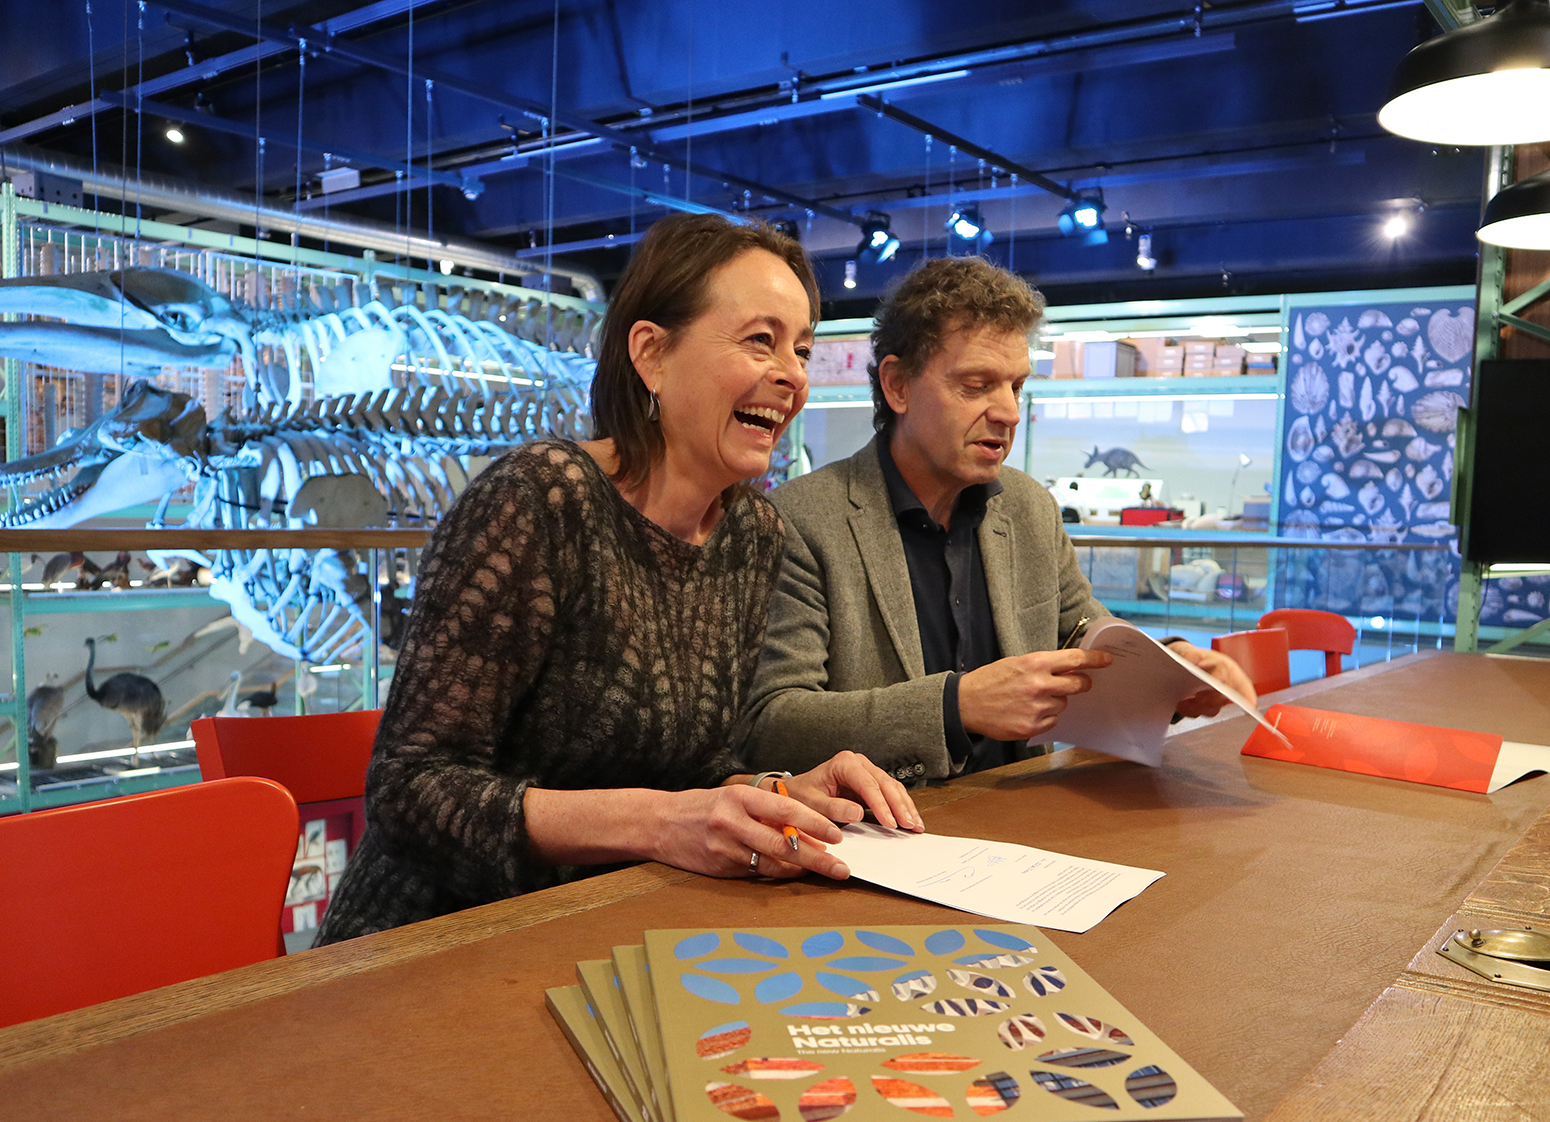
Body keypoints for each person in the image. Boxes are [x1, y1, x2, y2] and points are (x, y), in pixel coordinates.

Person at [317, 215, 920, 944]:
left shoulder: (753, 535)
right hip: (438, 940)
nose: (792, 374)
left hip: (613, 924)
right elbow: (409, 790)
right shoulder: (541, 498)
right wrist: (665, 822)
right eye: (761, 340)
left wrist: (774, 792)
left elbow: (692, 770)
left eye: (801, 349)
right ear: (652, 354)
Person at [737, 257, 1256, 784]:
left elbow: (1087, 640)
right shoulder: (801, 521)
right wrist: (955, 706)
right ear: (897, 386)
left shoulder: (1029, 509)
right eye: (976, 385)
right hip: (889, 835)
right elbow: (771, 723)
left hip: (1027, 817)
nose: (1007, 411)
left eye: (1016, 386)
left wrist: (1174, 673)